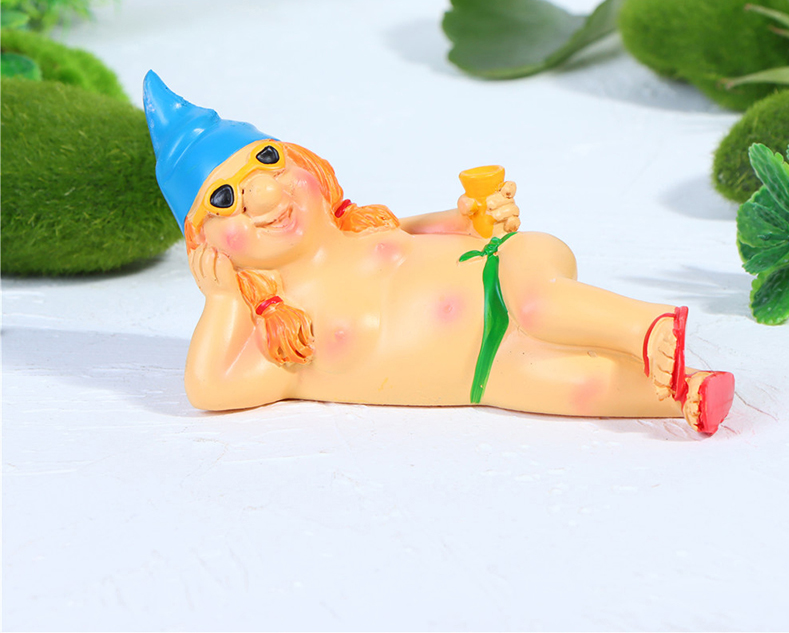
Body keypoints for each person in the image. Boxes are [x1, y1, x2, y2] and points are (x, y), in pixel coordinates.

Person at [143, 71, 735, 435]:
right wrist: (224, 301)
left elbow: (436, 232)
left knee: (539, 307)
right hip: (486, 373)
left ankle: (644, 326)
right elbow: (209, 389)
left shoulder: (362, 229)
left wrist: (473, 217)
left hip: (502, 274)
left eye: (269, 163)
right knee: (570, 388)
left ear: (307, 165)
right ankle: (687, 390)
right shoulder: (281, 342)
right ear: (205, 243)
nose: (267, 197)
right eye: (226, 199)